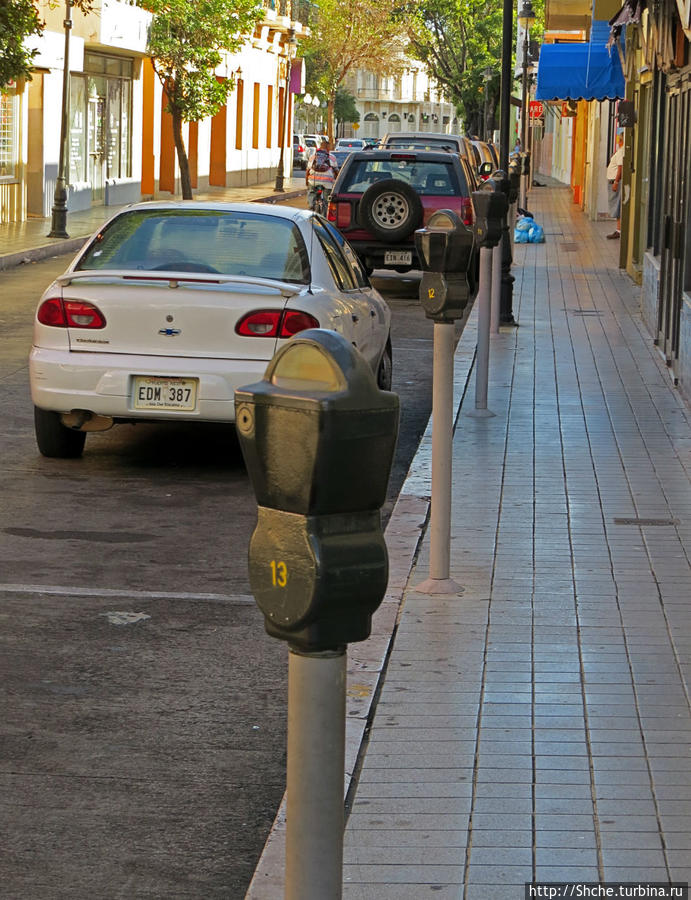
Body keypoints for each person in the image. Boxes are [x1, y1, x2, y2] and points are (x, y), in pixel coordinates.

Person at [305, 138, 339, 210]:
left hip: (313, 180)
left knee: (311, 193)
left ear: (320, 147)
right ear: (328, 148)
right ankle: (325, 212)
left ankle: (311, 206)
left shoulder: (313, 157)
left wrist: (307, 183)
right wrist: (336, 181)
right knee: (327, 201)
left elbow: (308, 171)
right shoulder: (332, 157)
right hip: (327, 182)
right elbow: (336, 171)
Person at [606, 136, 624, 239]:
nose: (617, 140)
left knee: (616, 205)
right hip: (613, 181)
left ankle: (619, 230)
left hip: (615, 182)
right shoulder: (619, 151)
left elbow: (620, 168)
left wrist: (616, 182)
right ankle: (618, 229)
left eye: (618, 139)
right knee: (615, 205)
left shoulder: (621, 152)